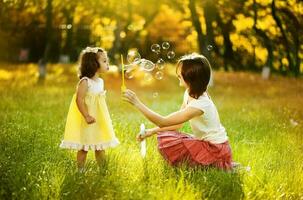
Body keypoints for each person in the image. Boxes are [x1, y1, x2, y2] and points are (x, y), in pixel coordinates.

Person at [123, 53, 232, 170]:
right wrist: (152, 131)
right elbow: (177, 124)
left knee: (169, 141)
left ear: (191, 78)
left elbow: (163, 122)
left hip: (215, 149)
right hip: (206, 143)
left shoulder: (199, 105)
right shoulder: (190, 92)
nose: (177, 74)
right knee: (166, 135)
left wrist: (137, 103)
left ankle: (210, 166)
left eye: (181, 72)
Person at [60, 47, 119, 171]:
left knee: (100, 145)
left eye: (107, 60)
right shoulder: (85, 82)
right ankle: (80, 171)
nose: (107, 63)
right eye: (104, 61)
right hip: (88, 119)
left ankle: (103, 170)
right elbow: (79, 99)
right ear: (93, 64)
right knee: (84, 147)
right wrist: (86, 115)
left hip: (98, 119)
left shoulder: (100, 81)